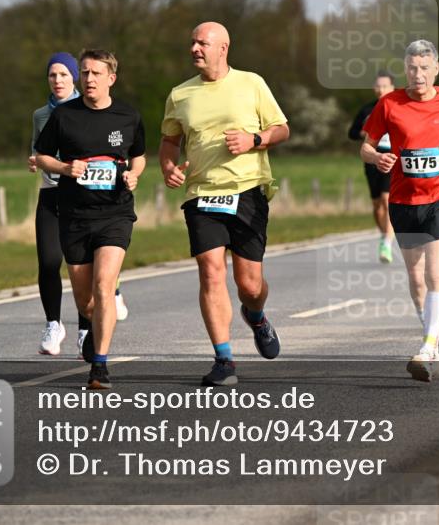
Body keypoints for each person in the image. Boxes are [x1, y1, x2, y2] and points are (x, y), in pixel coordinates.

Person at [160, 22, 290, 387]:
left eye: (202, 42)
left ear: (223, 48)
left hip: (247, 191)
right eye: (192, 42)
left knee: (249, 285)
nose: (195, 48)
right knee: (211, 270)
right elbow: (169, 141)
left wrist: (255, 138)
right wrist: (168, 167)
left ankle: (257, 315)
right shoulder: (180, 94)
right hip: (202, 194)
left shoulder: (252, 83)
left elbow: (281, 128)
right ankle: (224, 359)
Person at [35, 49, 146, 389]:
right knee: (86, 300)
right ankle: (91, 323)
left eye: (96, 73)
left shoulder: (128, 116)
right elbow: (40, 156)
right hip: (74, 215)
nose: (89, 79)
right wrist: (65, 167)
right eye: (84, 73)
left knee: (104, 285)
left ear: (111, 78)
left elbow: (139, 157)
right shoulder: (64, 116)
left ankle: (100, 365)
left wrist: (134, 176)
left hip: (115, 213)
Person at [361, 39, 439, 382]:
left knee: (435, 271)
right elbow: (365, 144)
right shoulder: (390, 103)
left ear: (436, 69)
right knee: (415, 277)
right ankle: (436, 334)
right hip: (403, 199)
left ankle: (426, 344)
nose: (418, 74)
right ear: (404, 70)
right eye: (412, 68)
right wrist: (377, 157)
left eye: (424, 68)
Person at [348, 71, 396, 263]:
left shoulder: (398, 107)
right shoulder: (367, 110)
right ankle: (384, 234)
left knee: (387, 199)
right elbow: (351, 133)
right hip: (371, 159)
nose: (380, 89)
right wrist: (364, 133)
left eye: (384, 86)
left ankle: (387, 242)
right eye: (377, 86)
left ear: (392, 87)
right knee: (377, 205)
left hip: (391, 157)